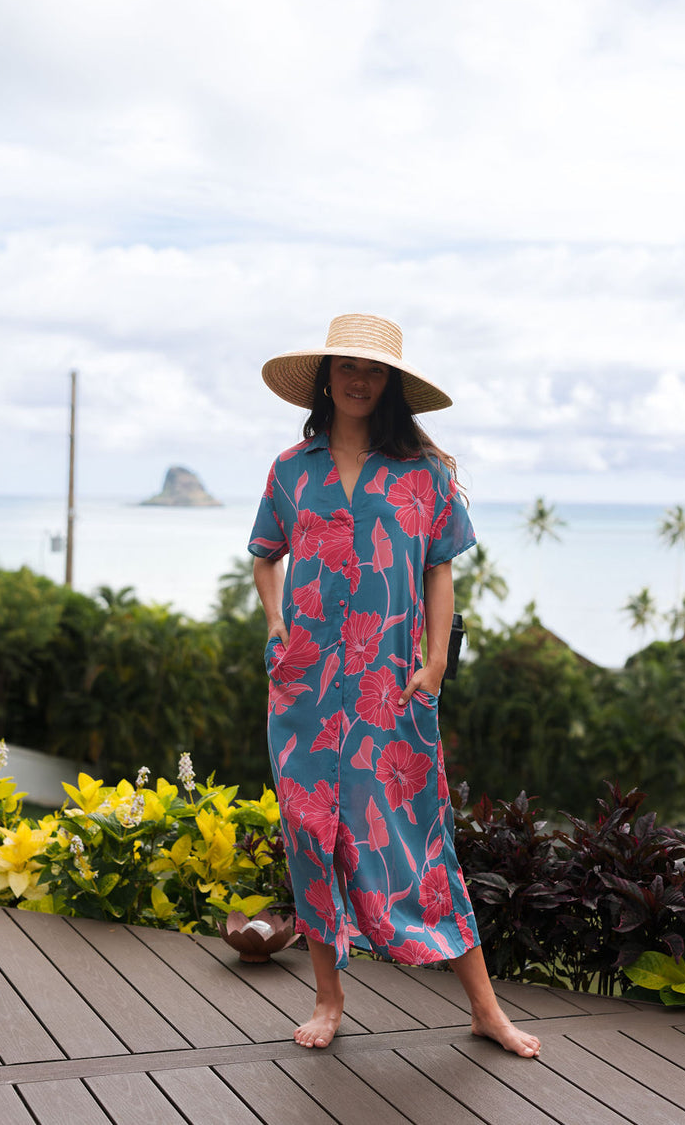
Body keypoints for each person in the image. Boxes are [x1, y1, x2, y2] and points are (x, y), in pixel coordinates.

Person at [248, 313, 540, 1058]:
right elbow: (264, 555)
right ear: (325, 377)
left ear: (390, 385)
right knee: (310, 837)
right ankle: (328, 996)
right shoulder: (290, 470)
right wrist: (278, 623)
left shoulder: (425, 476)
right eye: (345, 366)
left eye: (371, 370)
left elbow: (440, 569)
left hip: (392, 690)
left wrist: (435, 661)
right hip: (305, 692)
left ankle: (484, 1008)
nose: (356, 378)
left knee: (418, 839)